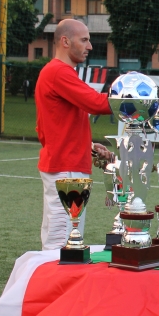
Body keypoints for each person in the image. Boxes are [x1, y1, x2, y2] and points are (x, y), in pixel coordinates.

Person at [35, 19, 113, 250]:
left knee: (64, 237)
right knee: (63, 242)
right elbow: (97, 103)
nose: (90, 46)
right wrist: (136, 99)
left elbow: (52, 125)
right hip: (65, 167)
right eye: (84, 40)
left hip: (66, 164)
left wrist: (88, 145)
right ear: (65, 41)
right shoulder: (59, 72)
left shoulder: (59, 72)